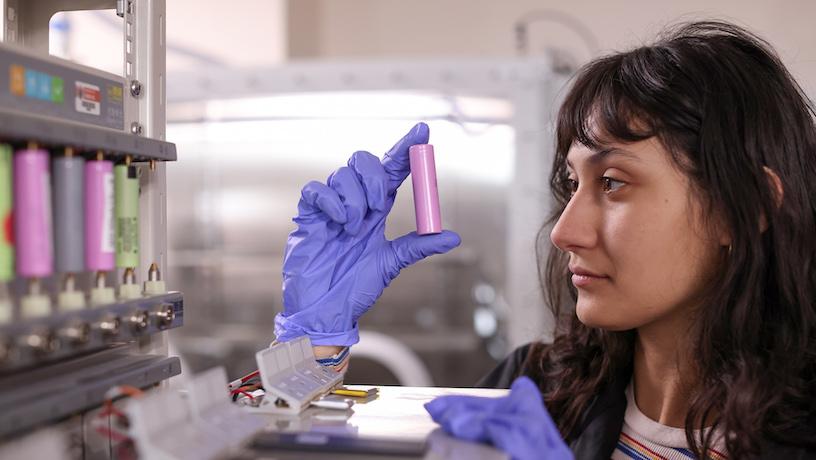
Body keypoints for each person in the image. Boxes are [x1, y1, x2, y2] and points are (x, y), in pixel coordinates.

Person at [273, 21, 816, 459]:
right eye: (573, 183)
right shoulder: (538, 390)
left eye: (612, 182)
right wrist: (314, 344)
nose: (564, 231)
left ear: (743, 206)